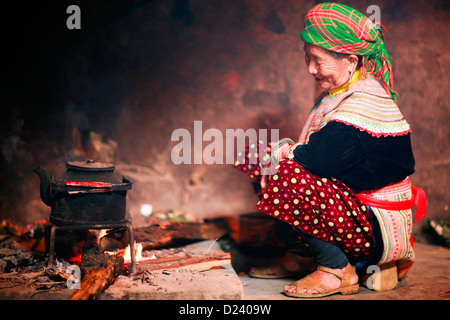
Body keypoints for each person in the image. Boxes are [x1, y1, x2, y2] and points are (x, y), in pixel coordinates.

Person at [234, 2, 425, 298]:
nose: (311, 69)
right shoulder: (340, 92)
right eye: (307, 58)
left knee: (286, 173)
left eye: (318, 61)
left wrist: (281, 153)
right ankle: (302, 255)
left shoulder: (362, 106)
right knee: (256, 157)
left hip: (373, 227)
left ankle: (337, 269)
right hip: (351, 211)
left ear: (350, 60)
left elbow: (315, 161)